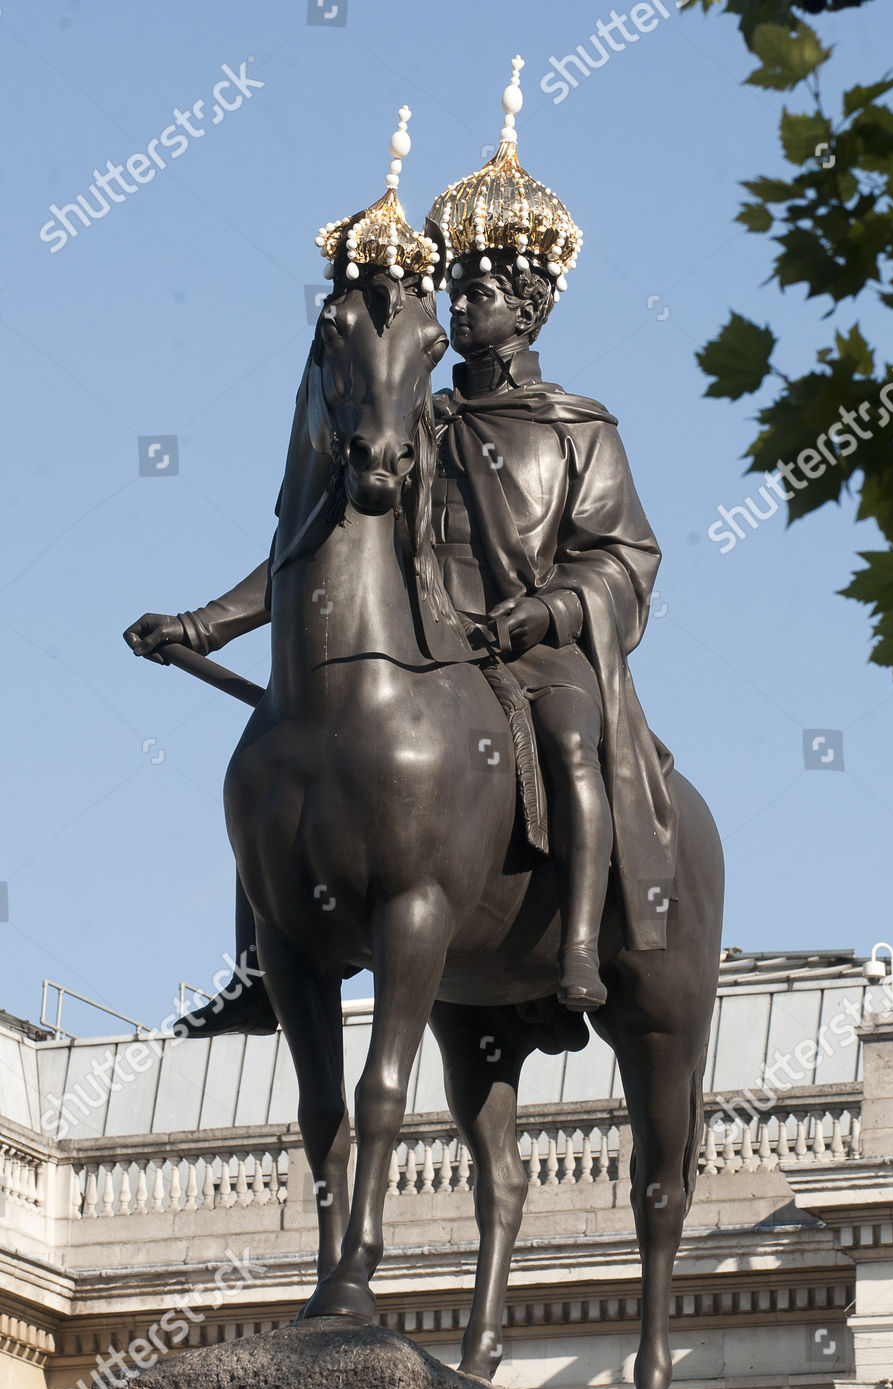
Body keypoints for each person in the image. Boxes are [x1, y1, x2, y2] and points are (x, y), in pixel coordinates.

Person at [124, 57, 675, 1030]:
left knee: (571, 734)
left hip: (533, 650)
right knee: (278, 756)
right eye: (457, 289)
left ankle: (581, 944)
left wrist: (548, 608)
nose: (465, 305)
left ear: (532, 304)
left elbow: (624, 558)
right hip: (425, 643)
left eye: (487, 290)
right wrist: (205, 625)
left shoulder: (578, 427)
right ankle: (261, 966)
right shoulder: (421, 422)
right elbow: (321, 544)